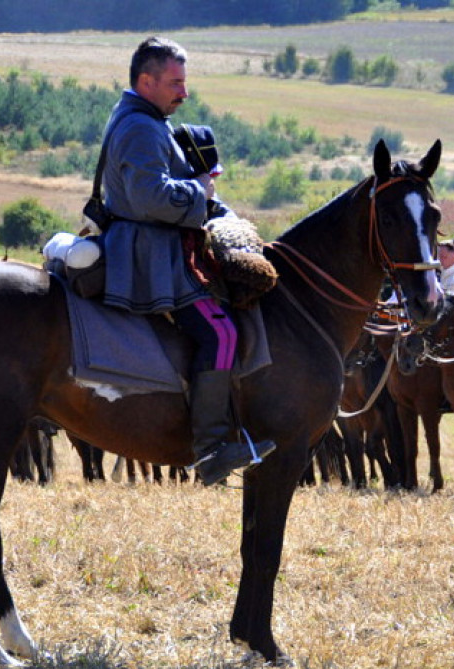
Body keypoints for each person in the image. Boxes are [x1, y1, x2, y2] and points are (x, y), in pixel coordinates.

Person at [98, 36, 273, 486]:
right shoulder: (140, 126)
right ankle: (211, 447)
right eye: (175, 83)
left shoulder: (146, 119)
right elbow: (148, 197)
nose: (184, 92)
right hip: (150, 256)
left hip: (158, 245)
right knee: (221, 332)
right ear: (146, 80)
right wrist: (201, 190)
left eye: (184, 83)